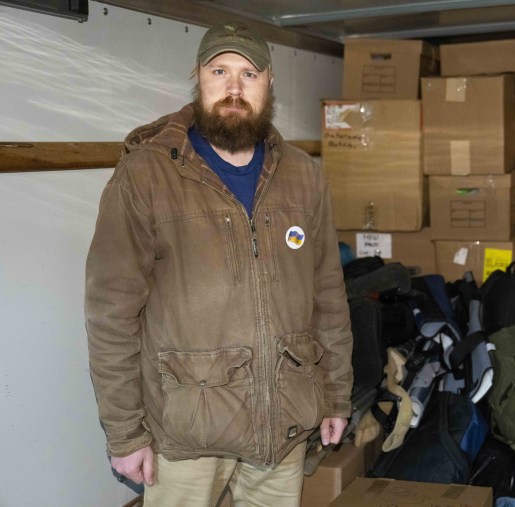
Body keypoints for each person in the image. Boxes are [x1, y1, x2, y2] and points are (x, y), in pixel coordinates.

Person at [84, 20, 353, 506]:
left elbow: (328, 296)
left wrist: (335, 395)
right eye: (220, 71)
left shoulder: (304, 177)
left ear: (270, 83)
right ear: (198, 78)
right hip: (188, 429)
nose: (234, 88)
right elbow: (111, 314)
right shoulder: (146, 175)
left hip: (283, 422)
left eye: (249, 74)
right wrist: (125, 434)